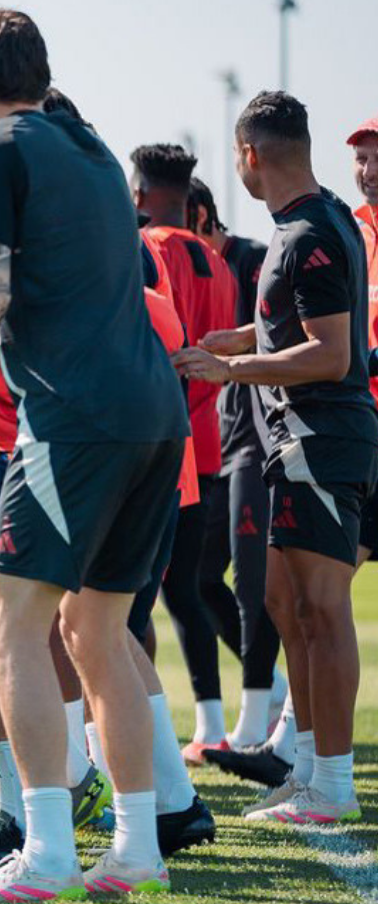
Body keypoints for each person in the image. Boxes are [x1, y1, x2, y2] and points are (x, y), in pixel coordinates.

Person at [0, 10, 187, 897]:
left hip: (74, 417)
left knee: (7, 624)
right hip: (154, 413)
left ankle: (46, 853)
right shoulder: (92, 148)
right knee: (95, 629)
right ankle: (139, 849)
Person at [175, 90, 378, 825]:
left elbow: (330, 354)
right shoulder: (311, 222)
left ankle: (335, 785)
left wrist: (231, 369)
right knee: (283, 603)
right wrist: (240, 339)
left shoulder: (311, 231)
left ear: (250, 154)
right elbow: (302, 325)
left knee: (322, 607)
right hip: (296, 441)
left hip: (323, 438)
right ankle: (309, 768)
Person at [131, 144, 238, 763]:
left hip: (160, 446)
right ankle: (211, 723)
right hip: (206, 445)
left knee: (131, 600)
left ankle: (138, 731)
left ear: (140, 194)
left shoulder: (149, 249)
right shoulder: (218, 261)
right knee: (186, 592)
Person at [185, 178, 293, 776]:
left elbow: (282, 335)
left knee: (254, 582)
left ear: (201, 216)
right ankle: (271, 688)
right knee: (199, 578)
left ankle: (253, 724)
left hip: (261, 440)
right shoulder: (176, 263)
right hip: (217, 444)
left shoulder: (254, 260)